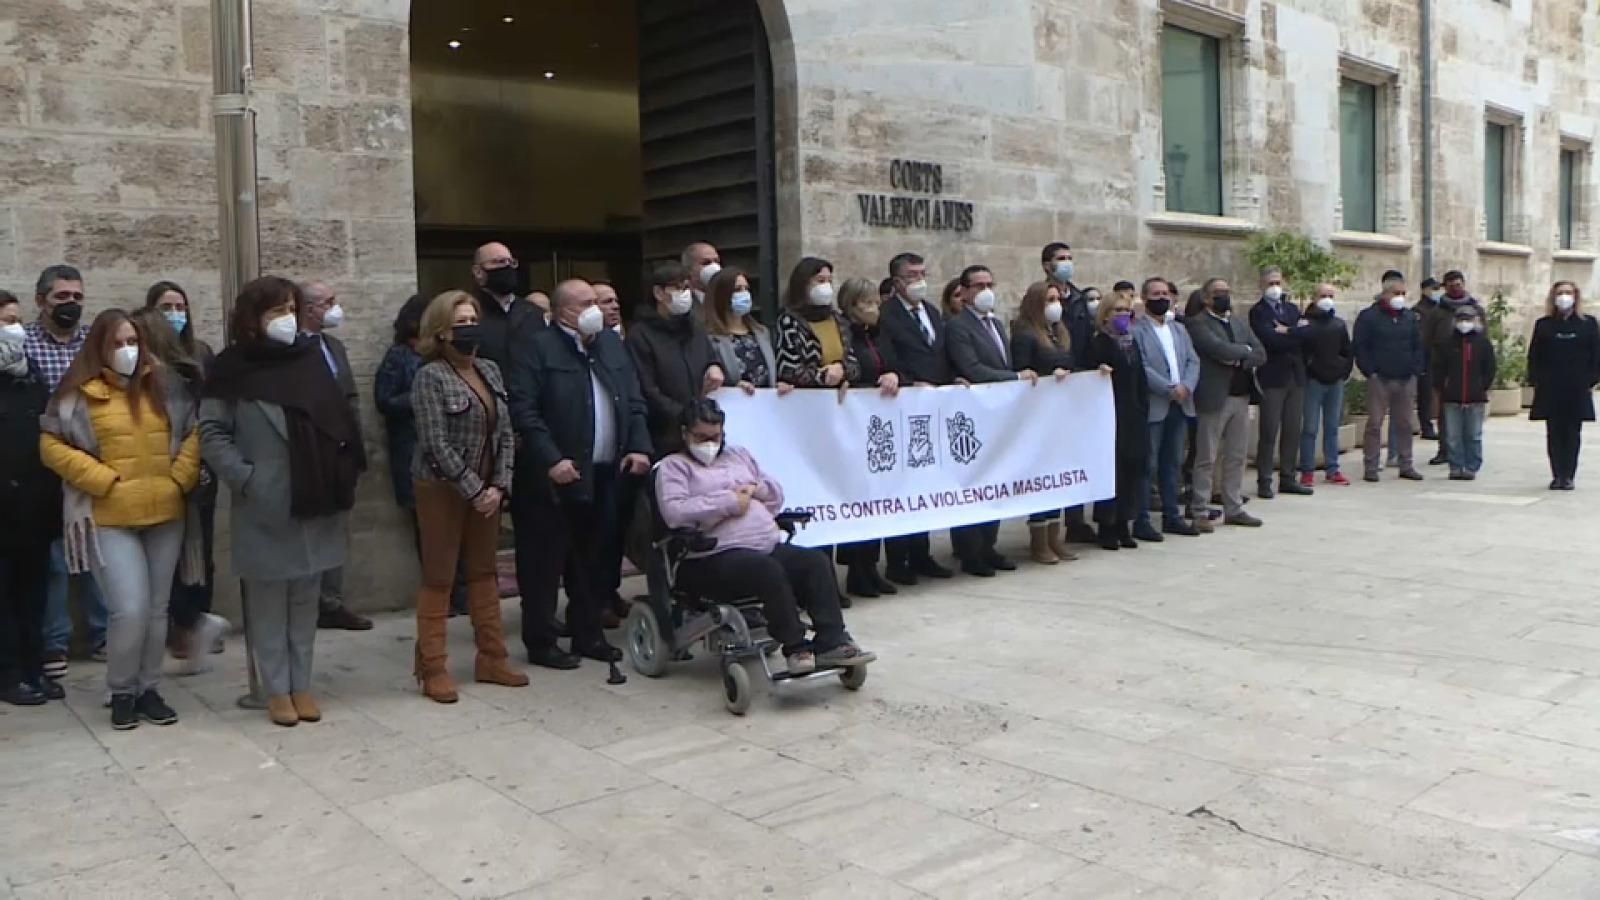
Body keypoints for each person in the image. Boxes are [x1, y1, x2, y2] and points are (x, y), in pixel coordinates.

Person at [201, 276, 366, 727]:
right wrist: (245, 478)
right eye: (276, 311)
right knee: (268, 603)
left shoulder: (310, 360)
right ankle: (276, 689)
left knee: (305, 600)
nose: (286, 320)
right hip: (266, 501)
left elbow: (336, 414)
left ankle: (302, 684)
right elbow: (212, 431)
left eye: (291, 308)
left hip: (314, 497)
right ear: (253, 318)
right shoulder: (232, 367)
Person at [40, 309, 203, 730]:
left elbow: (194, 433)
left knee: (156, 610)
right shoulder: (78, 394)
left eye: (134, 342)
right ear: (100, 348)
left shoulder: (165, 388)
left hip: (165, 513)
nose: (128, 350)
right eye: (118, 343)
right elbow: (51, 443)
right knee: (128, 609)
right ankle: (120, 691)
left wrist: (178, 479)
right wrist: (100, 479)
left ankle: (149, 688)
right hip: (109, 517)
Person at [657, 397, 874, 675]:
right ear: (685, 433)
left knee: (814, 562)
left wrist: (758, 489)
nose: (709, 443)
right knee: (766, 569)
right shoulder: (673, 467)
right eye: (701, 437)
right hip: (710, 555)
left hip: (764, 544)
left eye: (716, 436)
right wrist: (730, 501)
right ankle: (796, 647)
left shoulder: (739, 456)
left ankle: (832, 640)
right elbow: (675, 512)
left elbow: (775, 498)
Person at [509, 279, 653, 668]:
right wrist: (551, 459)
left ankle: (588, 633)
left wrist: (639, 446)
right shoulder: (537, 349)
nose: (597, 309)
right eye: (586, 303)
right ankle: (541, 641)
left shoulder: (609, 344)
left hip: (606, 471)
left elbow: (634, 400)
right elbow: (525, 412)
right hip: (555, 477)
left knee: (597, 558)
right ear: (562, 313)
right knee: (544, 561)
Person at [407, 291, 528, 702]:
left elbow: (506, 433)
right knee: (440, 576)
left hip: (488, 490)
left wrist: (499, 485)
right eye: (461, 323)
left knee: (483, 572)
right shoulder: (430, 376)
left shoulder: (490, 370)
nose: (470, 329)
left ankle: (492, 657)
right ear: (440, 332)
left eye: (473, 319)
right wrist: (474, 489)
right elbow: (433, 442)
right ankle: (433, 666)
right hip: (441, 488)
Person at [129, 307, 228, 672]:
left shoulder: (165, 380)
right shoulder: (177, 374)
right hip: (173, 483)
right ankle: (188, 630)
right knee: (181, 564)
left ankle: (190, 624)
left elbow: (181, 435)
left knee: (169, 570)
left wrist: (173, 477)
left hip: (168, 484)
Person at [24, 264, 106, 680]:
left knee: (94, 548)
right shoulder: (23, 344)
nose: (70, 304)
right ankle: (53, 641)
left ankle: (102, 633)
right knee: (54, 559)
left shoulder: (94, 342)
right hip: (40, 462)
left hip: (91, 459)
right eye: (62, 297)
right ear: (41, 301)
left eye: (76, 297)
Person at [375, 294, 467, 615]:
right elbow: (385, 400)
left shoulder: (452, 356)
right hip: (416, 451)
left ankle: (464, 591)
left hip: (456, 453)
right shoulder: (399, 357)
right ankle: (443, 594)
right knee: (430, 530)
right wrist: (424, 398)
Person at [945, 265, 1037, 575]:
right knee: (974, 480)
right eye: (978, 285)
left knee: (995, 479)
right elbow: (971, 367)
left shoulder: (996, 324)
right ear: (966, 291)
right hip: (974, 412)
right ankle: (971, 552)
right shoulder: (958, 326)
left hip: (997, 413)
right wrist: (1013, 378)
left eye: (989, 283)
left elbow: (1001, 360)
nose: (985, 290)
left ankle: (989, 545)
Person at [875, 252, 956, 585]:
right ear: (896, 282)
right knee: (901, 485)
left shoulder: (932, 313)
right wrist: (910, 382)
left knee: (926, 482)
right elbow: (889, 359)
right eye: (912, 275)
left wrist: (954, 380)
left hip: (932, 408)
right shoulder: (887, 316)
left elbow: (941, 354)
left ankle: (922, 553)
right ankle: (898, 559)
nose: (919, 280)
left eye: (922, 273)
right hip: (903, 407)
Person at [297, 281, 373, 631]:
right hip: (309, 452)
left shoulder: (335, 347)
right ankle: (305, 603)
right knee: (308, 530)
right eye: (327, 302)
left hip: (341, 453)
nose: (334, 307)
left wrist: (357, 447)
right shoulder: (293, 349)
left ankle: (332, 601)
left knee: (337, 529)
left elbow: (351, 398)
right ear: (308, 308)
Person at [0, 292, 61, 705]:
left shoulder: (30, 373)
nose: (15, 330)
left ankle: (34, 666)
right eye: (6, 322)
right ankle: (8, 673)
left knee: (33, 591)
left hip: (34, 506)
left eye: (17, 321)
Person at [837, 276, 903, 597]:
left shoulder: (879, 334)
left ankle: (872, 566)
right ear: (851, 307)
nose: (874, 310)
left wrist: (893, 375)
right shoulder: (846, 335)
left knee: (879, 496)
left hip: (880, 424)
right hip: (855, 421)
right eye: (867, 304)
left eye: (876, 303)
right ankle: (856, 570)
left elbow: (896, 364)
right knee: (857, 496)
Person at [1187, 278, 1266, 531]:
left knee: (1236, 455)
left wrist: (1239, 355)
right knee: (1207, 457)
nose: (1224, 297)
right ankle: (1199, 508)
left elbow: (1260, 352)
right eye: (1218, 293)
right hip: (1213, 398)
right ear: (1207, 298)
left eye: (1227, 292)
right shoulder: (1198, 323)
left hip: (1241, 396)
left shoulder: (1237, 322)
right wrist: (1242, 352)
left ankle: (1233, 506)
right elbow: (1217, 349)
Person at [1010, 280, 1078, 562]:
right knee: (1040, 477)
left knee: (1058, 476)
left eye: (1057, 299)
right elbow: (1022, 370)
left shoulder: (1058, 332)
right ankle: (1039, 540)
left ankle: (1055, 536)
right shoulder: (1026, 334)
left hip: (1059, 415)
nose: (1055, 305)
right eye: (1049, 299)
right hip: (1037, 414)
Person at [627, 261, 725, 456]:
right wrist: (684, 416)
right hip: (665, 434)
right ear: (659, 293)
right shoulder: (641, 335)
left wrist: (715, 366)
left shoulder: (695, 329)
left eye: (687, 287)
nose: (685, 294)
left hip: (702, 432)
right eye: (678, 288)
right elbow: (647, 388)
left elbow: (710, 358)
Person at [1131, 277, 1201, 537]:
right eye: (1155, 294)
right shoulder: (1136, 330)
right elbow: (1142, 367)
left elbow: (1193, 361)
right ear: (1145, 297)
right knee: (1147, 464)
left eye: (1165, 294)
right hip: (1155, 404)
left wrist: (1186, 387)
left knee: (1172, 463)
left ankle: (1173, 515)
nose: (1161, 298)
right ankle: (1142, 519)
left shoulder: (1179, 330)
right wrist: (1168, 389)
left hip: (1182, 403)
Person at [1084, 289, 1152, 549]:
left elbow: (1140, 378)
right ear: (1105, 315)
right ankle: (1107, 526)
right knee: (1113, 471)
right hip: (1110, 414)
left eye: (1126, 311)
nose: (1123, 315)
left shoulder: (1130, 342)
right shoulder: (1099, 342)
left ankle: (1125, 522)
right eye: (1118, 311)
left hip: (1133, 413)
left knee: (1132, 471)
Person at [1354, 272, 1426, 482]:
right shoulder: (1369, 317)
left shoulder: (1409, 317)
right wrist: (1371, 371)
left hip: (1405, 378)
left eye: (1403, 293)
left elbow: (1417, 346)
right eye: (1397, 293)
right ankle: (1371, 466)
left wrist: (1415, 370)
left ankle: (1406, 464)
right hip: (1380, 379)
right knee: (1375, 424)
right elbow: (1360, 346)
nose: (1400, 297)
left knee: (1404, 423)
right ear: (1385, 293)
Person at [1529, 281, 1600, 490]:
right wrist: (1536, 380)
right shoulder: (1544, 324)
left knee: (1572, 432)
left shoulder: (1588, 324)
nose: (1564, 297)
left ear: (1576, 296)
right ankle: (1557, 473)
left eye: (1568, 293)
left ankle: (1568, 474)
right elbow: (1535, 356)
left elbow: (1596, 355)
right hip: (1551, 388)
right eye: (1560, 293)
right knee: (1554, 432)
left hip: (1576, 387)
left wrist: (1591, 380)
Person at [1249, 267, 1313, 498]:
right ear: (1262, 286)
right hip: (1273, 377)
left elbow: (1309, 336)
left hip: (1296, 376)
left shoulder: (1292, 308)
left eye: (1277, 281)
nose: (1275, 287)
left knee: (1293, 429)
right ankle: (1264, 480)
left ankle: (1288, 477)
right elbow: (1270, 340)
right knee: (1269, 431)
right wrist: (1294, 333)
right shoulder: (1258, 312)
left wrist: (1289, 331)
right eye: (1269, 283)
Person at [1421, 271, 1483, 464]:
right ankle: (1445, 450)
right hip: (1445, 367)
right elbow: (1426, 339)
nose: (1455, 288)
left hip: (1471, 369)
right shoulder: (1437, 312)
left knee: (1471, 417)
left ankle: (1468, 453)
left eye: (1458, 284)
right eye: (1451, 285)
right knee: (1445, 413)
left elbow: (1484, 342)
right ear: (1445, 287)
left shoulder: (1475, 309)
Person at [1298, 284, 1355, 487]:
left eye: (1330, 296)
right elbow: (1301, 352)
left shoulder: (1338, 324)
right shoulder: (1306, 324)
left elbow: (1347, 351)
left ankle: (1333, 469)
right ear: (1314, 298)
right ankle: (1307, 471)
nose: (1327, 299)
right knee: (1310, 428)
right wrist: (1310, 368)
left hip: (1335, 381)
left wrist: (1343, 371)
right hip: (1313, 381)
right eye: (1323, 295)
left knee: (1332, 427)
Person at [774, 257, 861, 389]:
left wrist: (842, 371)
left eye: (829, 281)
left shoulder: (838, 320)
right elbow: (788, 369)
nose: (826, 286)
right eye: (820, 281)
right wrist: (823, 376)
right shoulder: (789, 322)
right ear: (803, 285)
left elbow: (854, 364)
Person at [1432, 305, 1496, 481]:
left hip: (1475, 397)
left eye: (1468, 319)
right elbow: (1438, 368)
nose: (1464, 323)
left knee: (1473, 435)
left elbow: (1490, 369)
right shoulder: (1447, 343)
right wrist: (1442, 387)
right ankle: (1455, 465)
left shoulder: (1482, 344)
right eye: (1461, 319)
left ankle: (1471, 466)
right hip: (1451, 397)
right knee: (1453, 435)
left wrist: (1482, 386)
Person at [704, 267, 788, 392]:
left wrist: (777, 386)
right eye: (737, 289)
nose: (744, 293)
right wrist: (733, 389)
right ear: (721, 295)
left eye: (746, 288)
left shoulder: (762, 333)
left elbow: (768, 375)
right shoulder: (709, 337)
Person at [471, 241, 544, 373]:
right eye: (499, 262)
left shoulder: (533, 313)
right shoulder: (469, 312)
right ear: (478, 272)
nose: (507, 267)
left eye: (511, 262)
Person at [1415, 276, 1443, 443]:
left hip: (1439, 356)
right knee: (1425, 394)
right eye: (1433, 289)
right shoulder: (1419, 311)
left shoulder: (1440, 309)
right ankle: (1426, 427)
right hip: (1425, 357)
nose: (1436, 292)